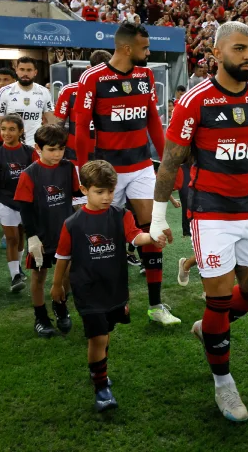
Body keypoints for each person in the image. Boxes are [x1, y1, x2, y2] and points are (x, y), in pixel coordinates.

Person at [150, 21, 248, 422]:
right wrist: (159, 216)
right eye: (240, 48)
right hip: (208, 210)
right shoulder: (195, 100)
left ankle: (208, 329)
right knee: (220, 297)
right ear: (217, 55)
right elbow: (172, 159)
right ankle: (224, 385)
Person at [73, 23, 180, 326]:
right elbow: (81, 129)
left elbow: (154, 126)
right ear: (126, 48)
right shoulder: (93, 78)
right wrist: (84, 173)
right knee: (105, 238)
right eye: (145, 48)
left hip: (142, 167)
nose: (149, 53)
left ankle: (156, 305)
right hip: (109, 173)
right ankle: (109, 301)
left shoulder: (146, 77)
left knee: (152, 229)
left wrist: (168, 164)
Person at [51, 160, 167, 412]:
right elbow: (63, 257)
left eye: (111, 191)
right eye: (99, 191)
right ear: (84, 190)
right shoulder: (73, 224)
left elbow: (135, 236)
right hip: (87, 289)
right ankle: (101, 388)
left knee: (106, 334)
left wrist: (153, 237)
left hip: (114, 288)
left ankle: (98, 371)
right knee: (98, 337)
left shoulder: (121, 215)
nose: (107, 197)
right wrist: (57, 285)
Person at [14, 125, 80, 337]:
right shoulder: (29, 174)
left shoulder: (68, 168)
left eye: (61, 148)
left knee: (69, 273)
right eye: (52, 149)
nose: (57, 154)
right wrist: (32, 237)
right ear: (38, 148)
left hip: (66, 234)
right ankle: (40, 317)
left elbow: (78, 194)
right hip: (41, 236)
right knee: (39, 277)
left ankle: (60, 305)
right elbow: (24, 208)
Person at [53, 50, 113, 208]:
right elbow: (57, 126)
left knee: (106, 201)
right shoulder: (69, 91)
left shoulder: (116, 91)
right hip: (76, 156)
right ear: (88, 69)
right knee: (81, 202)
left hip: (107, 156)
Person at [0, 115, 37, 292]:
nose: (6, 133)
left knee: (21, 237)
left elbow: (37, 178)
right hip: (5, 200)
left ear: (21, 131)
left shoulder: (30, 152)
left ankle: (18, 268)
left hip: (25, 202)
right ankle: (14, 276)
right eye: (4, 129)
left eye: (11, 129)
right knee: (12, 238)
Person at [0, 57, 57, 152]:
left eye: (29, 70)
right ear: (16, 71)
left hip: (35, 149)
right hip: (11, 147)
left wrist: (50, 146)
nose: (25, 73)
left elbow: (51, 121)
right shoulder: (4, 92)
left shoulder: (44, 92)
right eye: (22, 69)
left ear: (35, 72)